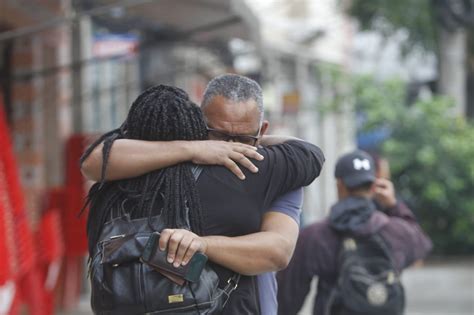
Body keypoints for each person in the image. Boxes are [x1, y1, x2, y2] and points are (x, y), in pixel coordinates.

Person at [82, 84, 325, 314]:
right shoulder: (239, 175)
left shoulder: (109, 190)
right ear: (197, 125)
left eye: (240, 140)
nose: (230, 147)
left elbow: (94, 159)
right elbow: (309, 154)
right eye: (218, 135)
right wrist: (238, 145)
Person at [276, 150, 432, 315]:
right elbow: (421, 244)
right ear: (374, 187)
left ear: (339, 185)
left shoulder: (315, 235)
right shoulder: (395, 230)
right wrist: (394, 206)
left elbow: (287, 299)